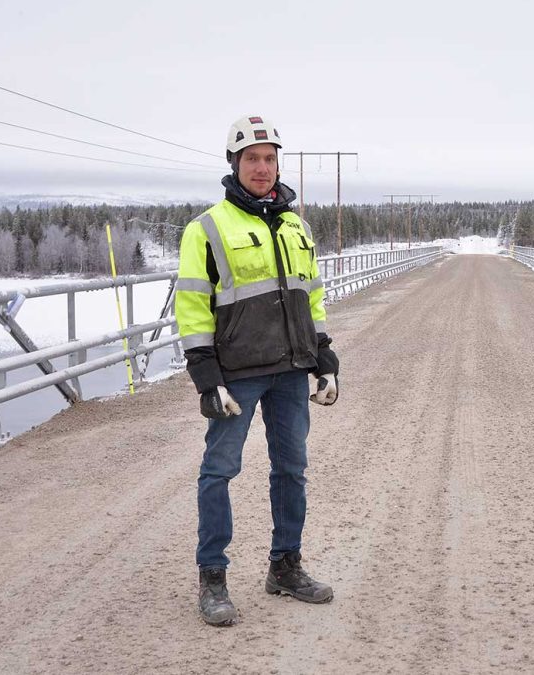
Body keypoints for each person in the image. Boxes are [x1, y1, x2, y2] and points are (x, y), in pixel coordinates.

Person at [175, 115, 340, 626]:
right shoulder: (206, 228)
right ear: (234, 164)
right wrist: (206, 377)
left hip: (291, 369)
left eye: (270, 158)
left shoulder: (296, 226)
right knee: (219, 472)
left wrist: (324, 357)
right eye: (252, 158)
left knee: (292, 469)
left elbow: (311, 297)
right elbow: (194, 308)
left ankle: (285, 567)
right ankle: (212, 578)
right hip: (237, 373)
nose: (262, 168)